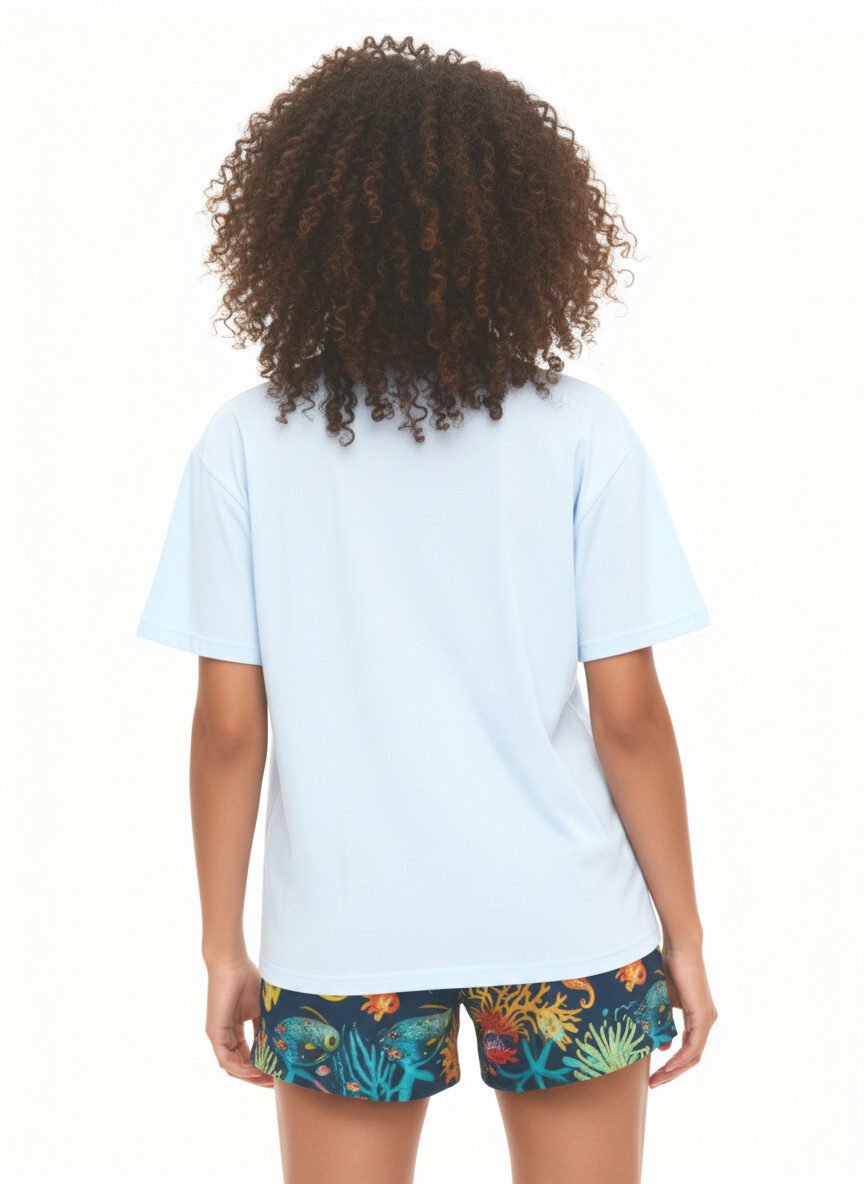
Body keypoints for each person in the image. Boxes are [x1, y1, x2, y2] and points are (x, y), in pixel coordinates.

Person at [136, 33, 718, 1184]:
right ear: (524, 228)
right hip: (564, 920)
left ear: (296, 228)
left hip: (346, 932)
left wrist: (221, 944)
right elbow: (630, 714)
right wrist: (685, 934)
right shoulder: (579, 432)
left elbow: (230, 728)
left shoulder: (246, 443)